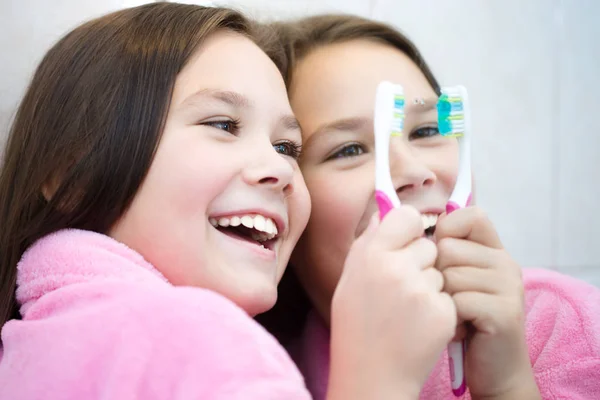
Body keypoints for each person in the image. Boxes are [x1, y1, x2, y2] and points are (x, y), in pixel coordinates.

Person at [0, 3, 457, 399]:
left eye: (287, 148)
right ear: (71, 175)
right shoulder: (211, 348)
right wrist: (377, 381)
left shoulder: (29, 347)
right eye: (222, 125)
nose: (279, 170)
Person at [257, 13, 600, 400]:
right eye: (349, 149)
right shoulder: (265, 372)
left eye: (425, 131)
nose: (414, 171)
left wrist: (507, 386)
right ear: (285, 199)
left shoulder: (574, 329)